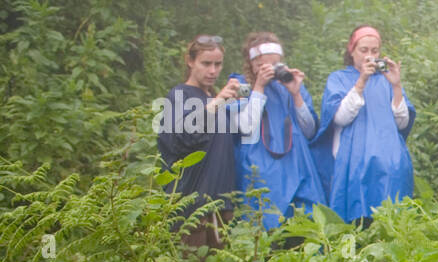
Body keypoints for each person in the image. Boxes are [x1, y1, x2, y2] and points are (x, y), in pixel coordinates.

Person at [317, 26, 417, 222]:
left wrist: (397, 86)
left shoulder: (387, 81)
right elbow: (340, 118)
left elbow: (402, 122)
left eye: (374, 51)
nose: (369, 56)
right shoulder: (338, 79)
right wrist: (362, 81)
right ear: (351, 50)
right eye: (363, 50)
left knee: (391, 222)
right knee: (354, 221)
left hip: (390, 166)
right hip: (351, 166)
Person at [232, 32, 327, 231]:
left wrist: (296, 94)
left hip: (297, 166)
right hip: (260, 167)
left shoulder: (288, 86)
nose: (271, 71)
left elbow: (310, 131)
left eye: (275, 64)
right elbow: (245, 127)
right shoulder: (240, 85)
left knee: (306, 228)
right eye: (264, 65)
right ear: (252, 64)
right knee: (265, 226)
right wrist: (259, 87)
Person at [155, 34, 242, 248]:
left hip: (221, 204)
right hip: (190, 207)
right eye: (206, 63)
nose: (213, 71)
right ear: (190, 61)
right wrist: (218, 101)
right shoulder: (179, 95)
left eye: (218, 64)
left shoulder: (214, 99)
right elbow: (181, 139)